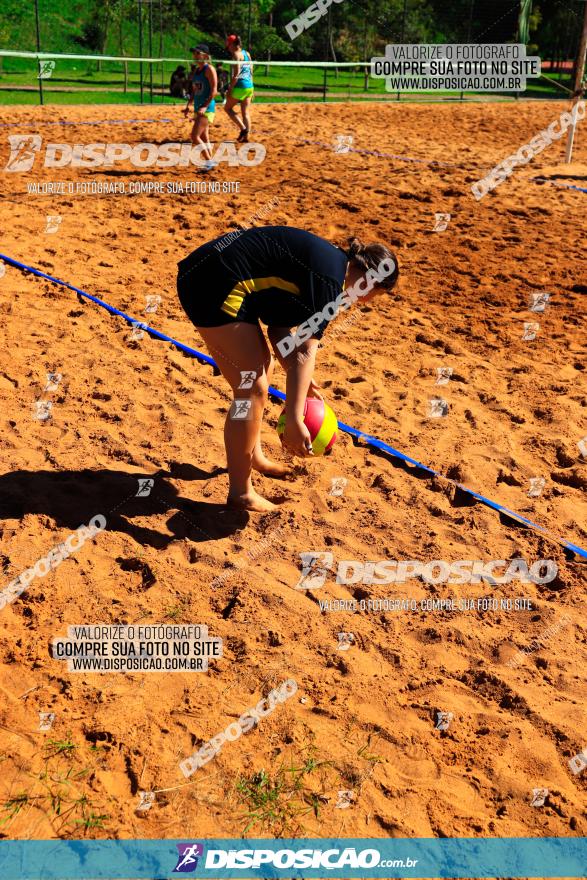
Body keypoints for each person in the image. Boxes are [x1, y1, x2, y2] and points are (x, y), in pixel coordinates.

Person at [176, 227, 399, 512]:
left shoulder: (332, 266)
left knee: (258, 375)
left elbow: (279, 330)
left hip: (219, 276)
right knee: (252, 387)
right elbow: (307, 349)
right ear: (369, 281)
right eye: (374, 296)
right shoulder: (330, 282)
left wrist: (300, 379)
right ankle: (241, 493)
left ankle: (253, 457)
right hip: (211, 281)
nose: (365, 303)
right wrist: (294, 417)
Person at [183, 44, 217, 168]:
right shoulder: (197, 70)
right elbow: (194, 91)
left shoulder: (209, 69)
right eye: (194, 53)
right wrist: (188, 106)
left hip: (206, 108)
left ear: (205, 56)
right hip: (199, 107)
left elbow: (214, 91)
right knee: (204, 137)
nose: (195, 56)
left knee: (194, 136)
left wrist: (204, 106)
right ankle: (211, 161)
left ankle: (209, 162)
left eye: (197, 53)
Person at [223, 34, 254, 142]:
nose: (228, 49)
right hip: (249, 86)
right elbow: (251, 71)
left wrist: (230, 89)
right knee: (245, 112)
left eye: (228, 46)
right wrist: (253, 88)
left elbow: (236, 75)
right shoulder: (247, 53)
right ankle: (246, 137)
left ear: (232, 44)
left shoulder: (236, 55)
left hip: (240, 86)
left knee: (227, 108)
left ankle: (243, 129)